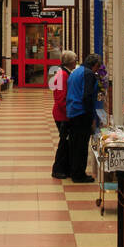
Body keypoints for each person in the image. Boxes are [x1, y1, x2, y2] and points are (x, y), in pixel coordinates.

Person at [66, 52, 102, 183]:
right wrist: (91, 117)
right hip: (81, 113)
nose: (97, 70)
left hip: (72, 110)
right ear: (95, 65)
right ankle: (79, 174)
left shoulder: (76, 71)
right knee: (81, 145)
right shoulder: (88, 74)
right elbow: (87, 96)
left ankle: (73, 170)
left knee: (75, 144)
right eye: (98, 67)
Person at [50, 51, 77, 179]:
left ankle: (65, 168)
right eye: (75, 59)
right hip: (62, 115)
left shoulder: (64, 73)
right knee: (64, 142)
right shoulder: (62, 75)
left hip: (63, 113)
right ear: (71, 62)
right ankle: (57, 169)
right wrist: (70, 113)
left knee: (66, 142)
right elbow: (61, 99)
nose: (76, 62)